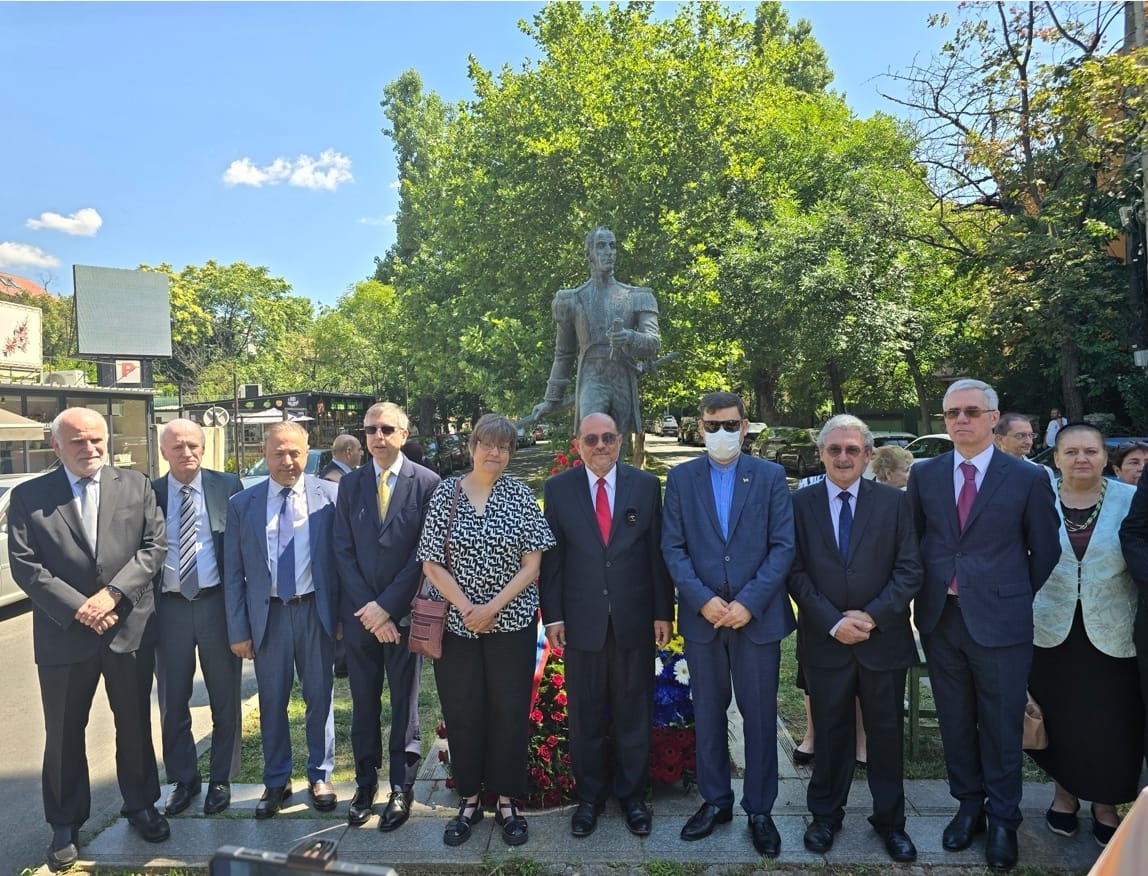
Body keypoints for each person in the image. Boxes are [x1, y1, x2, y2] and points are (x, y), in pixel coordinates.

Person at [906, 378, 1060, 871]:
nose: (961, 420)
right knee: (955, 720)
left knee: (1000, 724)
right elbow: (916, 540)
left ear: (994, 418)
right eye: (952, 413)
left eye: (971, 411)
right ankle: (968, 805)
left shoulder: (1028, 477)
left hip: (1001, 622)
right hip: (941, 618)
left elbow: (1045, 549)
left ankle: (1004, 820)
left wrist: (1007, 594)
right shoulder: (925, 474)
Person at [9, 407, 169, 869]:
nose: (90, 448)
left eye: (97, 439)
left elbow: (153, 547)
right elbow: (26, 565)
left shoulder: (135, 485)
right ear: (56, 446)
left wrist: (113, 594)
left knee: (134, 723)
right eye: (77, 441)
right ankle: (65, 823)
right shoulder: (30, 496)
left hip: (127, 628)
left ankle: (141, 804)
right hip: (64, 634)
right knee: (63, 732)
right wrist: (79, 607)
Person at [661, 390, 795, 858]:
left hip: (756, 620)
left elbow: (783, 546)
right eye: (713, 425)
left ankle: (760, 810)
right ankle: (716, 801)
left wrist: (749, 603)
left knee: (759, 716)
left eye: (731, 425)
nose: (722, 433)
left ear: (745, 426)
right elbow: (673, 547)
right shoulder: (681, 478)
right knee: (708, 714)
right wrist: (703, 601)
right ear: (700, 427)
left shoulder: (770, 476)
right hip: (704, 620)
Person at [789, 415, 923, 863]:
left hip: (881, 640)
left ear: (868, 455)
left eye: (852, 449)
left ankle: (891, 822)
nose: (843, 457)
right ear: (821, 454)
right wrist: (832, 621)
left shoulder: (895, 503)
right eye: (834, 449)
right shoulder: (799, 503)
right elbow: (794, 571)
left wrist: (871, 616)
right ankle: (825, 816)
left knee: (885, 736)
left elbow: (910, 568)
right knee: (830, 733)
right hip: (825, 641)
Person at [417, 414, 555, 848]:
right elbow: (431, 563)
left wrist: (492, 608)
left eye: (504, 446)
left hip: (511, 626)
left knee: (508, 712)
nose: (495, 453)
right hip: (457, 629)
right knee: (463, 712)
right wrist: (467, 609)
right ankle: (470, 799)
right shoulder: (446, 493)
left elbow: (533, 564)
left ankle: (508, 801)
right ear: (472, 446)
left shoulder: (520, 495)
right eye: (487, 444)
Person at [541, 412, 674, 838]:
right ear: (578, 443)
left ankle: (633, 797)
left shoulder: (646, 486)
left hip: (635, 620)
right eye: (591, 439)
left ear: (620, 440)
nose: (600, 445)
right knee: (586, 716)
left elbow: (657, 555)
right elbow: (553, 561)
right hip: (582, 623)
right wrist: (554, 616)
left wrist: (663, 612)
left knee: (634, 711)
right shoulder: (558, 489)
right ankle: (590, 798)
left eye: (608, 438)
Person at [1027, 424, 1142, 847]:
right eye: (1071, 451)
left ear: (1104, 458)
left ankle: (1105, 803)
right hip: (1049, 628)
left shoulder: (1132, 499)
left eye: (1090, 451)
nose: (1081, 458)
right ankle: (1064, 794)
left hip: (1113, 629)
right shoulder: (1036, 498)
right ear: (1055, 458)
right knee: (1059, 716)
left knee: (1112, 721)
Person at [224, 421, 340, 819]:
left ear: (308, 453)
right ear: (265, 454)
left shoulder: (331, 497)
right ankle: (276, 780)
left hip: (315, 612)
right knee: (272, 701)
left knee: (320, 697)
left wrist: (341, 616)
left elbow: (343, 562)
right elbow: (233, 573)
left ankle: (321, 775)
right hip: (268, 616)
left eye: (295, 452)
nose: (287, 461)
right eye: (278, 453)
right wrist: (239, 630)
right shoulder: (243, 504)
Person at [332, 402, 440, 830]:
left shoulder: (427, 483)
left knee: (404, 706)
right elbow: (342, 550)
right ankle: (365, 784)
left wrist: (388, 608)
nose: (378, 436)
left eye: (387, 429)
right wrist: (370, 611)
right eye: (371, 429)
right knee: (363, 704)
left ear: (403, 433)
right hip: (362, 619)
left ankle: (401, 787)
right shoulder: (351, 484)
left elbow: (424, 554)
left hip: (404, 618)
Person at [153, 419, 244, 817]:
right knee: (173, 700)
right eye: (178, 447)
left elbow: (242, 547)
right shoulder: (150, 492)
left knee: (225, 697)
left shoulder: (228, 486)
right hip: (169, 607)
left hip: (216, 605)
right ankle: (183, 779)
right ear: (164, 452)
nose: (186, 452)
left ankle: (221, 778)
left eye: (193, 445)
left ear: (203, 448)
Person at [529, 227, 660, 442]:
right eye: (601, 246)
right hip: (591, 378)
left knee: (617, 446)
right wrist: (552, 399)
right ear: (588, 253)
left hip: (623, 381)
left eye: (612, 246)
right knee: (592, 438)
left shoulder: (638, 296)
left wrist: (629, 337)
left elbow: (653, 342)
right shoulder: (570, 300)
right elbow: (564, 353)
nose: (609, 252)